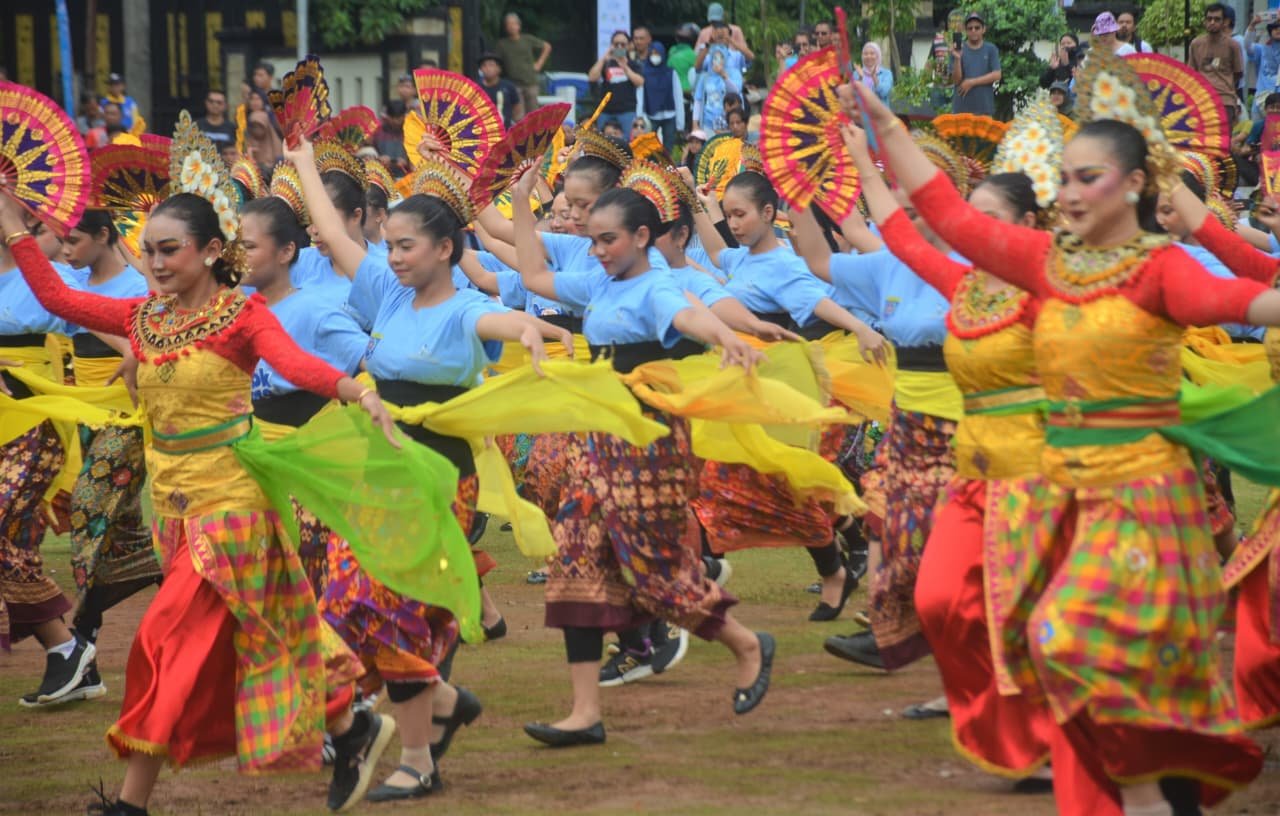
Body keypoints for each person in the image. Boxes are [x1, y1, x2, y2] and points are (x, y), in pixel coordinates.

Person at [851, 68, 1280, 816]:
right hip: (1064, 496)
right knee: (1069, 654)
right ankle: (1148, 797)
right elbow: (948, 221)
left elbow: (1240, 297)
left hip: (1144, 497)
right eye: (1067, 179)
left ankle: (1148, 799)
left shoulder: (1159, 267)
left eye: (1089, 178)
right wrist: (886, 132)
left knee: (1066, 641)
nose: (1073, 194)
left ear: (1135, 183)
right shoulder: (1049, 268)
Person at [3, 128, 405, 816]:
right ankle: (349, 721)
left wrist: (355, 390)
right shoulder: (143, 319)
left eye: (169, 250)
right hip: (177, 509)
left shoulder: (239, 316)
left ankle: (129, 804)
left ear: (212, 250)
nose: (155, 263)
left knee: (167, 638)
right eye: (149, 251)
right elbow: (62, 298)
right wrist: (11, 218)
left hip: (234, 508)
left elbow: (299, 363)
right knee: (271, 631)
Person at [510, 169, 777, 745]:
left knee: (655, 575)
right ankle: (584, 713)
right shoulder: (600, 285)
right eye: (593, 240)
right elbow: (532, 273)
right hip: (599, 442)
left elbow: (689, 315)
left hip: (650, 446)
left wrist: (726, 338)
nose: (597, 249)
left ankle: (747, 642)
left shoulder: (655, 286)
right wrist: (517, 200)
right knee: (574, 562)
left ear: (641, 236)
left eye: (608, 239)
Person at [1190, 3, 1245, 127]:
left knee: (1223, 142)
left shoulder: (1233, 45)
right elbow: (1191, 73)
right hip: (1202, 101)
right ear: (1205, 21)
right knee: (1202, 142)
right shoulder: (1196, 44)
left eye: (1217, 19)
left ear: (1224, 22)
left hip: (1225, 101)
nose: (1212, 22)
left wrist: (1222, 86)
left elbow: (1238, 73)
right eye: (1209, 19)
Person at [588, 31, 645, 139]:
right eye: (616, 44)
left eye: (623, 44)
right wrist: (605, 57)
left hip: (627, 111)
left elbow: (640, 82)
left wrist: (625, 67)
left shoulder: (634, 64)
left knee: (627, 143)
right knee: (602, 142)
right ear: (611, 45)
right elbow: (592, 77)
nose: (619, 47)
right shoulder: (606, 63)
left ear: (628, 46)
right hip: (606, 110)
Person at [495, 12, 552, 115]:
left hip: (531, 82)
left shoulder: (527, 39)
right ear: (505, 27)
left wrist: (539, 63)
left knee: (534, 114)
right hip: (514, 84)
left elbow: (546, 46)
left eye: (514, 23)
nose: (511, 26)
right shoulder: (502, 44)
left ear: (519, 25)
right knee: (518, 116)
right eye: (508, 24)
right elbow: (496, 62)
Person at [638, 37, 685, 149]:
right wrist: (640, 115)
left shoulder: (670, 73)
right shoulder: (644, 72)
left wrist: (680, 123)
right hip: (651, 116)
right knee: (649, 149)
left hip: (670, 115)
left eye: (657, 53)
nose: (655, 56)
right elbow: (640, 95)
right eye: (652, 53)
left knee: (668, 149)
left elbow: (678, 96)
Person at [951, 14, 1001, 117]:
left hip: (984, 109)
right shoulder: (957, 50)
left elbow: (997, 75)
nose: (973, 30)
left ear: (983, 29)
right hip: (961, 110)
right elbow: (956, 80)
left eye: (977, 28)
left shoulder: (991, 49)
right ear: (966, 30)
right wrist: (957, 58)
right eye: (970, 28)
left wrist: (972, 82)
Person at [697, 21, 748, 94]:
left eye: (723, 36)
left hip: (733, 97)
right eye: (717, 36)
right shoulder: (708, 57)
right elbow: (698, 69)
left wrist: (743, 73)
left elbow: (747, 63)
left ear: (729, 37)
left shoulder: (737, 55)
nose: (720, 39)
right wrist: (707, 45)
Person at [1245, 16, 1280, 119]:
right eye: (1275, 27)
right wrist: (1252, 25)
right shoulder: (1261, 49)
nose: (1278, 29)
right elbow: (1247, 46)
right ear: (1270, 31)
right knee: (1258, 132)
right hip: (1261, 101)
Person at [477, 53, 521, 127]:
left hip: (505, 130)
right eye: (484, 65)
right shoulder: (476, 88)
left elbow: (516, 107)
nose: (487, 68)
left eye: (491, 65)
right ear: (481, 69)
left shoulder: (508, 87)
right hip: (482, 131)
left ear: (499, 69)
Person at [373, 100, 410, 177]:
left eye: (399, 118)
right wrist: (378, 159)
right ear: (387, 116)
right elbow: (369, 152)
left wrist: (407, 161)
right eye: (393, 118)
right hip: (381, 176)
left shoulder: (411, 132)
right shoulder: (377, 131)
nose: (396, 122)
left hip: (406, 177)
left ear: (405, 116)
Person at [669, 23, 700, 95]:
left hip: (671, 88)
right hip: (686, 90)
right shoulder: (694, 55)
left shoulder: (672, 50)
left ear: (677, 39)